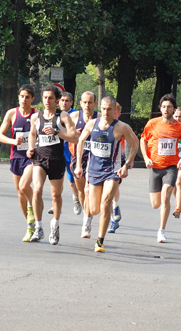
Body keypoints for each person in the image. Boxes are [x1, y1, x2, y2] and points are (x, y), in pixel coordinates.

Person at [74, 96, 139, 252]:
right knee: (94, 209)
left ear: (114, 109)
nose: (105, 112)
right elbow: (81, 141)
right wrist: (78, 165)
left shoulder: (121, 127)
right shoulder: (92, 124)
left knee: (106, 202)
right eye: (103, 108)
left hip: (112, 171)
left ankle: (100, 241)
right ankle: (98, 215)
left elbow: (134, 143)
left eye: (109, 109)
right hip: (94, 170)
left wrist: (126, 165)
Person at [27, 85, 78, 245]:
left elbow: (74, 137)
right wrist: (30, 148)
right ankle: (39, 227)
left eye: (50, 98)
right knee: (37, 190)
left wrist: (57, 132)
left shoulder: (62, 116)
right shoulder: (36, 117)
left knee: (56, 195)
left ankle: (55, 224)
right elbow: (32, 134)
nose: (47, 101)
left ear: (56, 100)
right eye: (45, 98)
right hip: (40, 159)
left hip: (56, 159)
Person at [140, 94, 181, 243]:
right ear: (160, 108)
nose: (166, 109)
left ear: (173, 109)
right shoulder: (152, 123)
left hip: (171, 166)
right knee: (155, 204)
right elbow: (143, 139)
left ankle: (161, 230)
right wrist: (146, 158)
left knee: (166, 195)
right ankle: (162, 211)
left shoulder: (179, 127)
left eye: (169, 106)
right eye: (163, 106)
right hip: (155, 166)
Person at [0, 84, 37, 242]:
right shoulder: (12, 113)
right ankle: (30, 226)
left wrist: (34, 147)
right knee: (20, 194)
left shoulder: (36, 115)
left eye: (27, 97)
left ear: (32, 99)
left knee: (24, 186)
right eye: (22, 96)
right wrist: (13, 140)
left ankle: (33, 210)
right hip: (16, 156)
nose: (24, 99)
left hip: (32, 157)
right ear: (18, 97)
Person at [69, 92, 98, 238]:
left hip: (95, 160)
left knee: (88, 191)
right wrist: (74, 133)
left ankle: (86, 222)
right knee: (81, 192)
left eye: (90, 102)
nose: (87, 105)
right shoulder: (74, 118)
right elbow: (63, 134)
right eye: (85, 102)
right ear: (80, 103)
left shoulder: (100, 119)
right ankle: (87, 214)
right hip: (78, 159)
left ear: (95, 103)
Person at [49, 92, 81, 216]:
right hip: (57, 152)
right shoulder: (54, 114)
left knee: (72, 182)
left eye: (67, 100)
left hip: (71, 153)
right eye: (62, 100)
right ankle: (55, 205)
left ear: (71, 102)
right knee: (58, 180)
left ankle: (76, 199)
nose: (64, 102)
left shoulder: (75, 115)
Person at [107, 102, 137, 233]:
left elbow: (135, 141)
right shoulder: (100, 124)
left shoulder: (123, 127)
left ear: (118, 113)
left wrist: (131, 159)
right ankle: (114, 209)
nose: (111, 114)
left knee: (113, 188)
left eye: (114, 111)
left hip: (117, 162)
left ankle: (115, 209)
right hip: (100, 163)